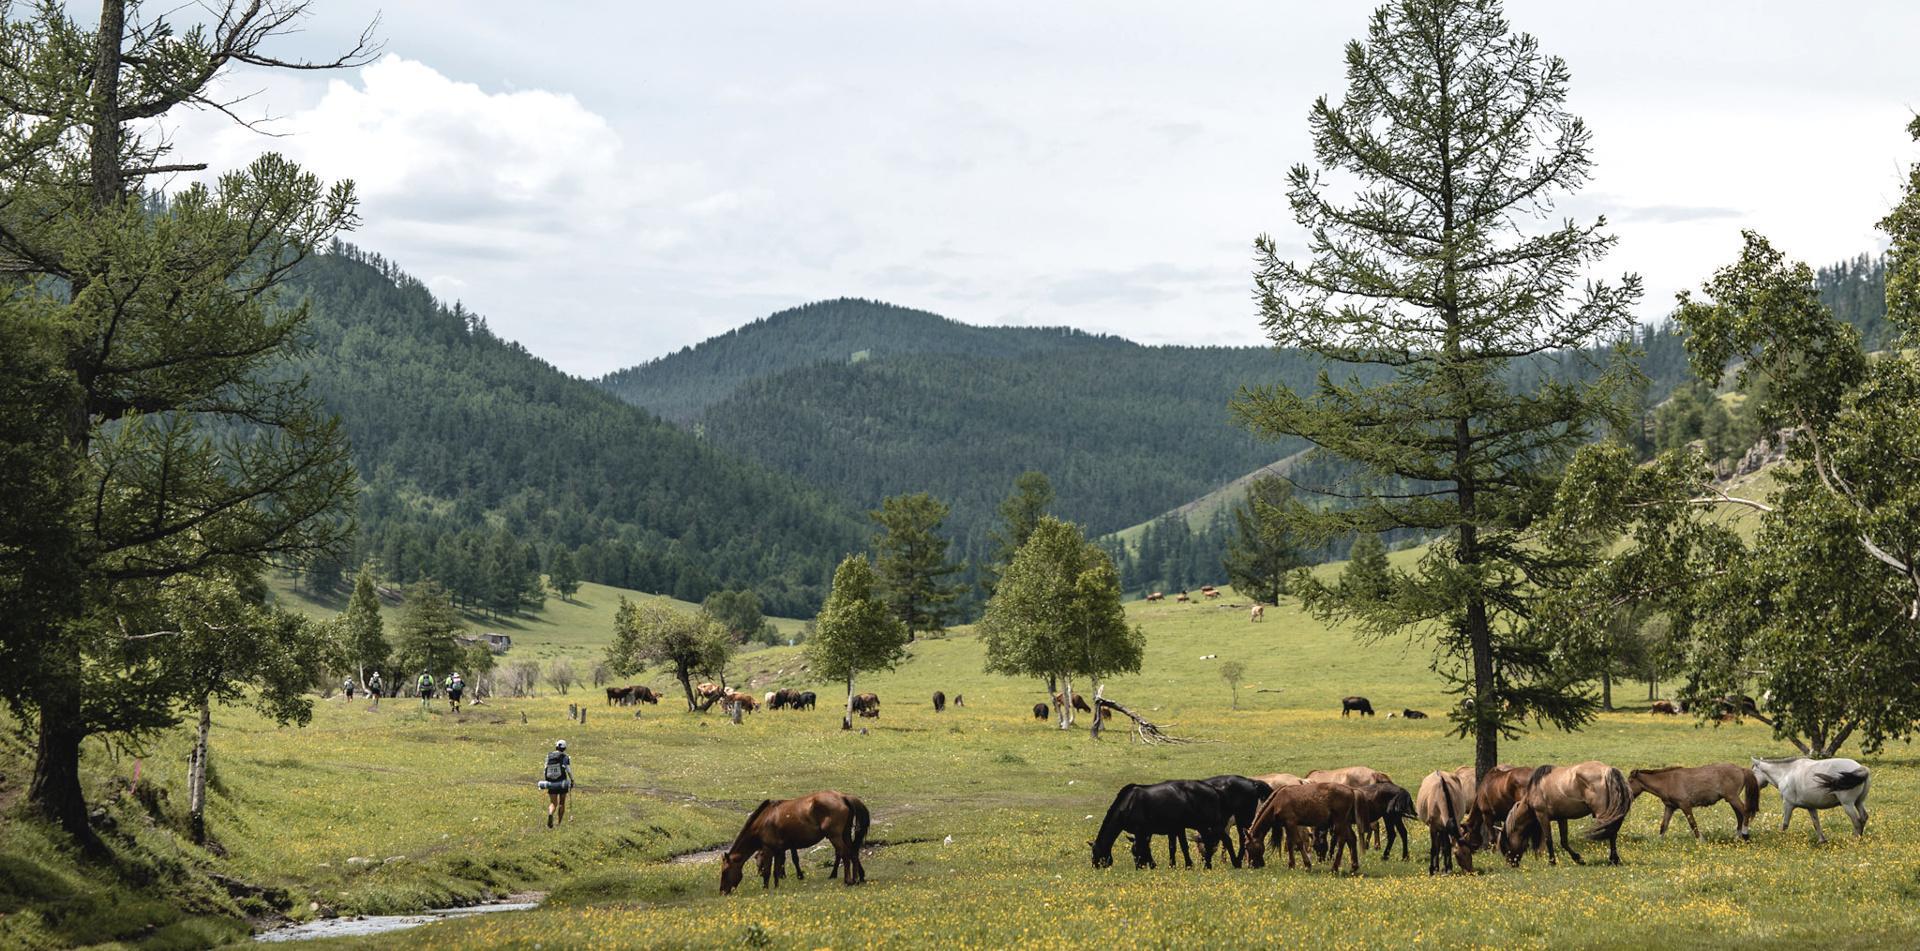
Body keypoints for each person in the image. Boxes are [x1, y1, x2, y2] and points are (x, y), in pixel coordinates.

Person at [539, 740, 573, 828]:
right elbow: (568, 770)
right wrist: (572, 780)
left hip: (551, 782)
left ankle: (550, 813)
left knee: (553, 803)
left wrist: (547, 780)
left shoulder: (549, 756)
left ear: (556, 747)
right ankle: (558, 823)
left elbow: (545, 769)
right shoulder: (565, 757)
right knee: (562, 803)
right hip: (562, 782)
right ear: (564, 748)